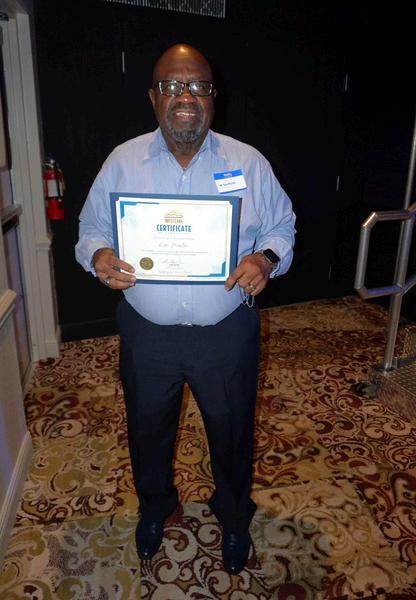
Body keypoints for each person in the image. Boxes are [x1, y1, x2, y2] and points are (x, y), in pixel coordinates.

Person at [76, 43, 295, 574]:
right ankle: (156, 508)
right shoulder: (122, 161)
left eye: (198, 86)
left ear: (213, 97)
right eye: (173, 86)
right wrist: (99, 256)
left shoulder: (247, 162)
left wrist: (265, 259)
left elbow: (282, 226)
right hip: (148, 333)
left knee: (232, 430)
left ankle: (234, 516)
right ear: (154, 97)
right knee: (147, 429)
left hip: (225, 331)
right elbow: (90, 229)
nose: (186, 97)